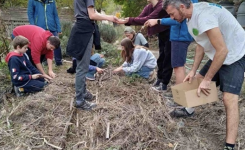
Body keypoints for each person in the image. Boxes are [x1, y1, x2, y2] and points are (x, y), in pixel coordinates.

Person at [162, 0, 245, 149]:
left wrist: (208, 79)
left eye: (172, 14)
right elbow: (202, 43)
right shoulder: (189, 17)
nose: (172, 18)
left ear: (181, 7)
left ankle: (230, 145)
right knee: (197, 80)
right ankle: (189, 110)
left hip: (235, 53)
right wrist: (194, 70)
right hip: (219, 53)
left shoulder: (204, 16)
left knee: (229, 99)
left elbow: (223, 51)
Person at [144, 0, 198, 117]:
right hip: (181, 35)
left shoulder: (181, 8)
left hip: (180, 36)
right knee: (179, 66)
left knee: (178, 67)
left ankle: (179, 100)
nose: (171, 16)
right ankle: (179, 96)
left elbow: (178, 19)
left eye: (172, 14)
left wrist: (158, 20)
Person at [66, 0, 118, 110]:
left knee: (82, 66)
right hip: (85, 30)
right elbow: (92, 15)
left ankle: (83, 93)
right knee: (82, 68)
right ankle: (80, 100)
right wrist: (110, 18)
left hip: (80, 28)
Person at [117, 0, 172, 92]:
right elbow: (140, 19)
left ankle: (164, 83)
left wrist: (130, 20)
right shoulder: (148, 7)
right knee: (161, 57)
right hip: (161, 33)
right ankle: (159, 79)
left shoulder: (161, 5)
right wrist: (125, 21)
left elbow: (150, 18)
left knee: (167, 58)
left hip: (169, 32)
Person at [28, 0, 63, 66]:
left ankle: (58, 61)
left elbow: (55, 15)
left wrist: (58, 28)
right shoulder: (32, 1)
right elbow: (30, 13)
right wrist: (33, 26)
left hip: (52, 27)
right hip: (39, 27)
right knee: (43, 45)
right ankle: (44, 61)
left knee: (56, 44)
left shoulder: (52, 1)